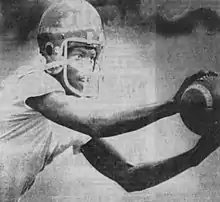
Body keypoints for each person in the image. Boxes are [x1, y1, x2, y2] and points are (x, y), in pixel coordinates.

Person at [0, 0, 219, 201]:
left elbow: (129, 177)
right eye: (79, 55)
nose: (87, 66)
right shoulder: (31, 80)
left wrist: (194, 157)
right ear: (51, 52)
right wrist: (171, 106)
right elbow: (97, 123)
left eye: (91, 57)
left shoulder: (68, 115)